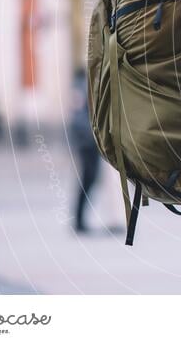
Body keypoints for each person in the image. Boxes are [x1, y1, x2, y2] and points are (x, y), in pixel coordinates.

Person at [69, 68, 102, 235]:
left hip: (87, 140)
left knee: (89, 179)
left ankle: (80, 220)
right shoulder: (82, 88)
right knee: (88, 179)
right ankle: (79, 220)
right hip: (87, 142)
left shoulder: (81, 87)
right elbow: (80, 118)